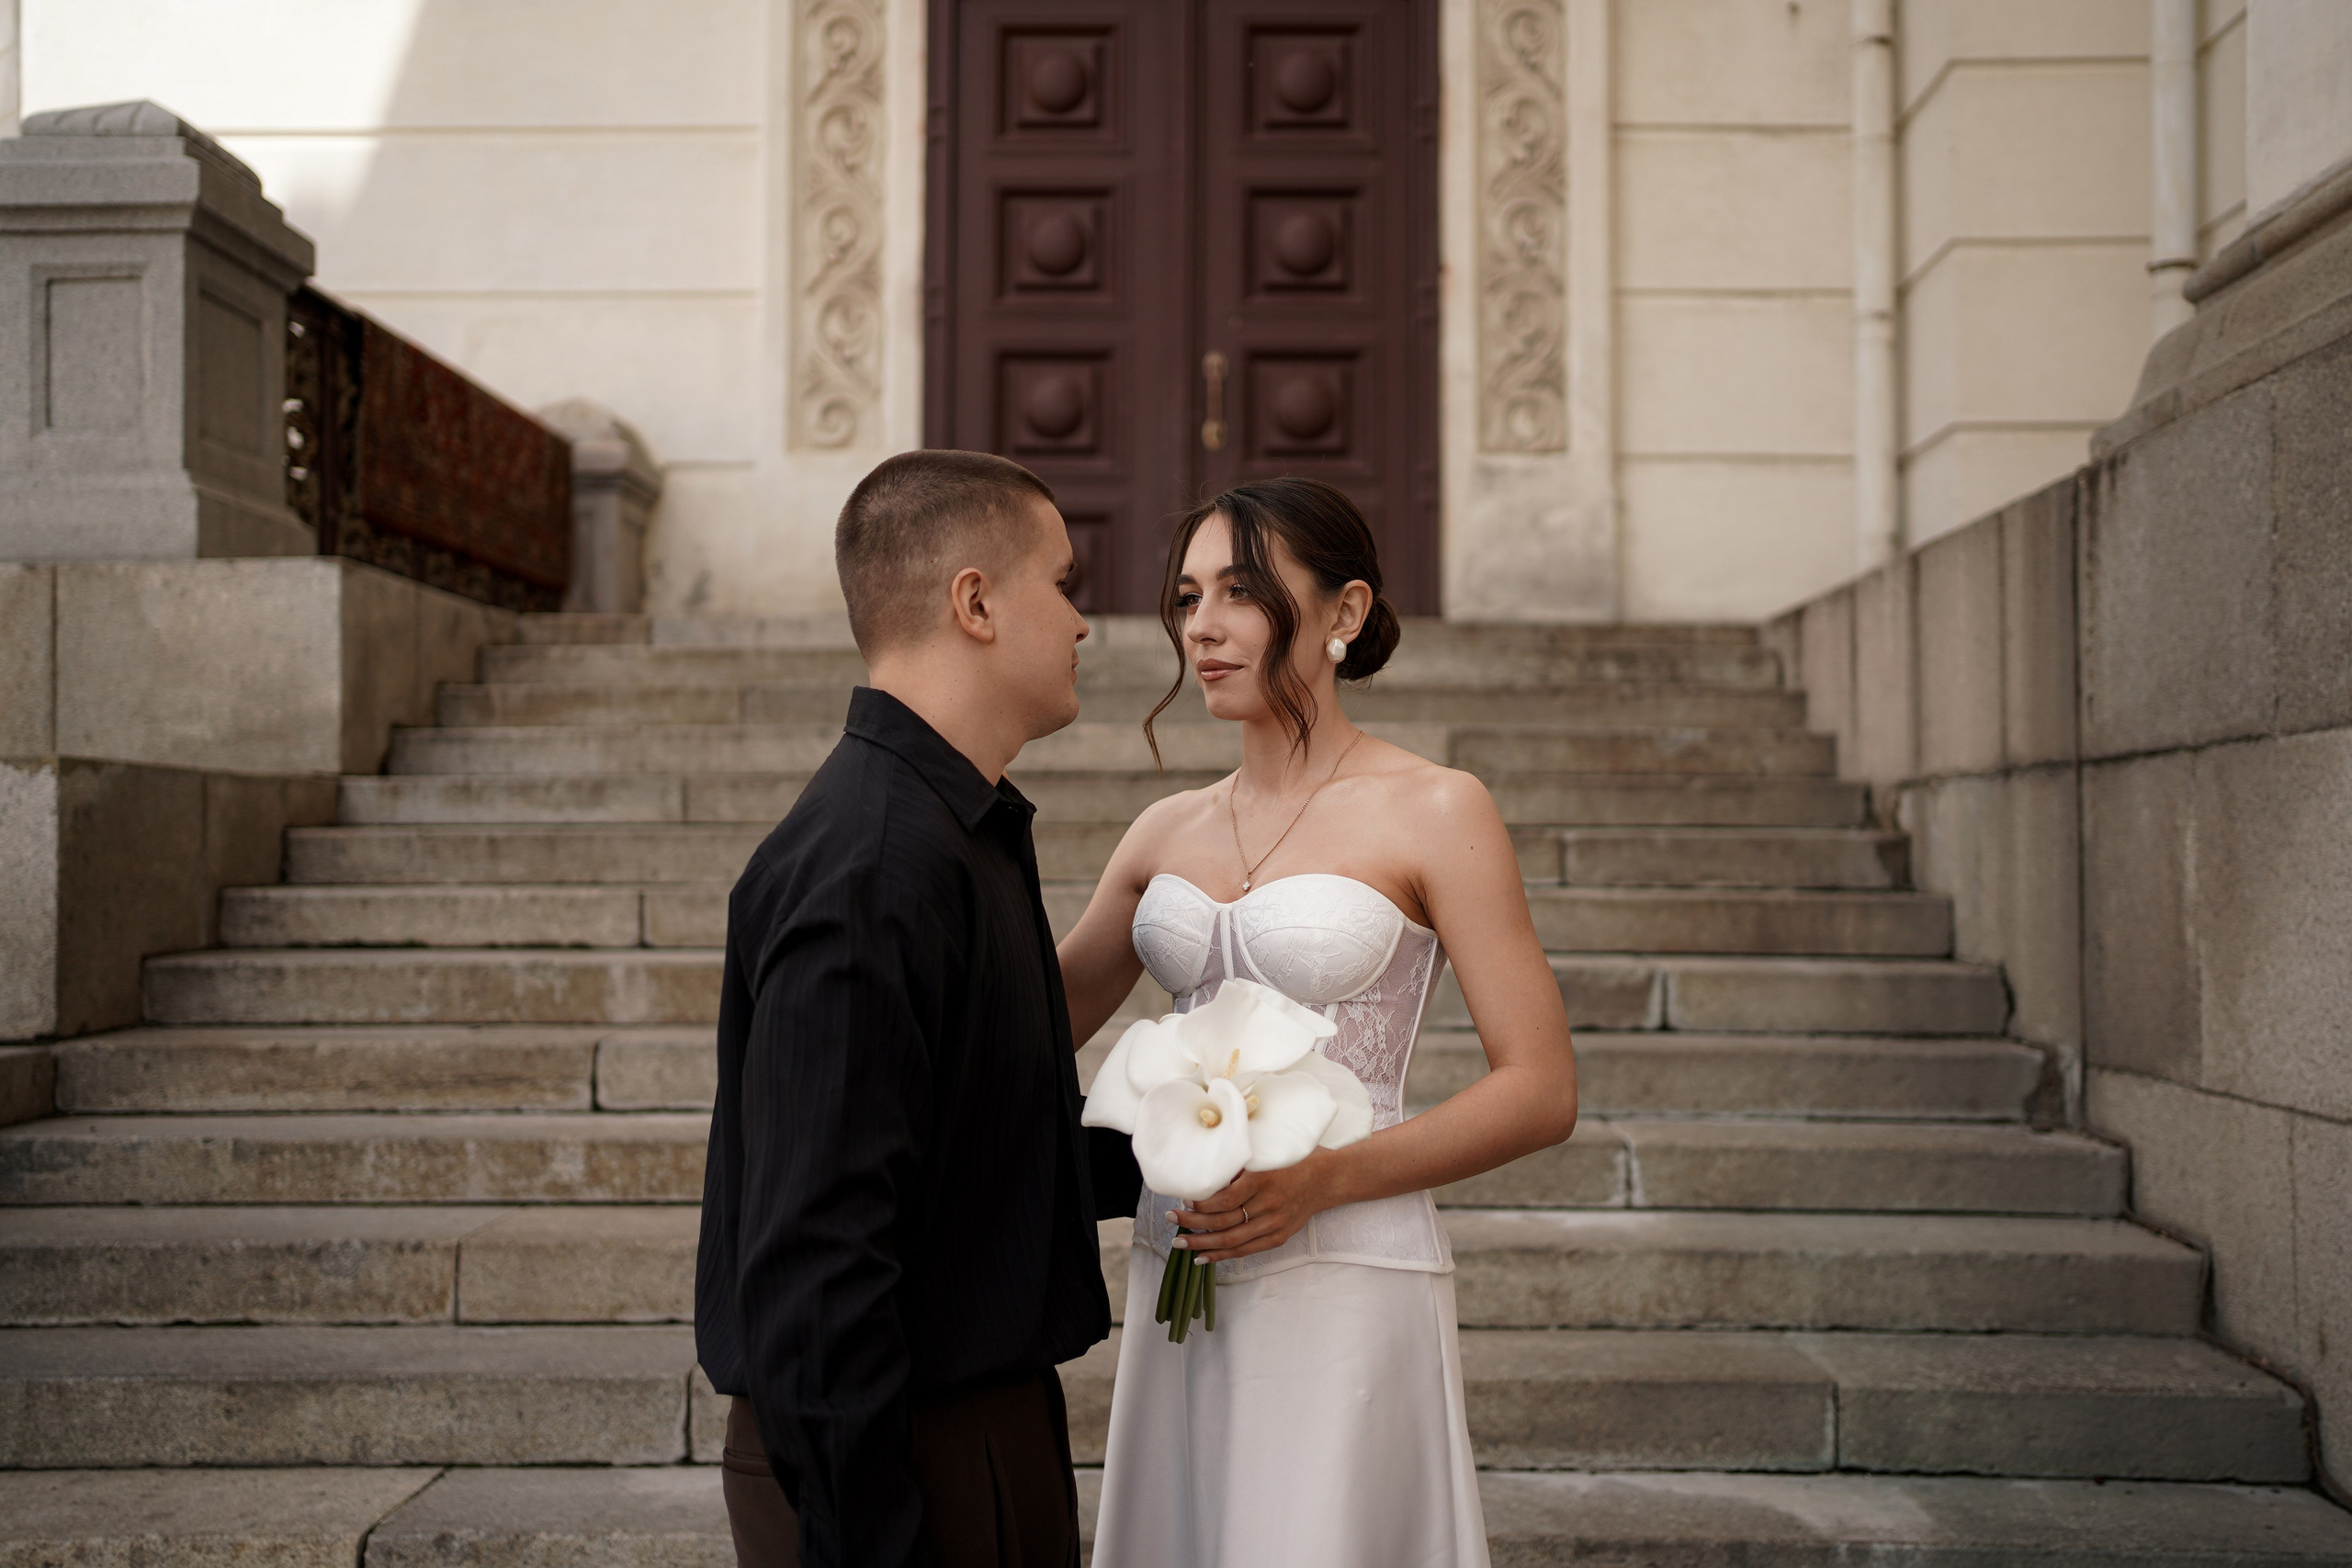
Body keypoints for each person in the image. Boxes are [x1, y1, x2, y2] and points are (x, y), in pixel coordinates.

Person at [1057, 477, 1580, 1566]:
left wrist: (1321, 1182)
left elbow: (1539, 1089)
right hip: (1179, 1266)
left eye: (1242, 592)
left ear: (1343, 613)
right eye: (1188, 594)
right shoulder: (1162, 829)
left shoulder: (1436, 808)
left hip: (1350, 1266)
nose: (1201, 625)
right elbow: (1030, 1024)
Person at [696, 448, 1136, 1568]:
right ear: (975, 602)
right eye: (1063, 581)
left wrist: (1173, 1157)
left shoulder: (954, 834)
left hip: (983, 1423)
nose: (1084, 622)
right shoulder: (871, 865)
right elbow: (817, 1262)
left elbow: (955, 1160)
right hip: (894, 1455)